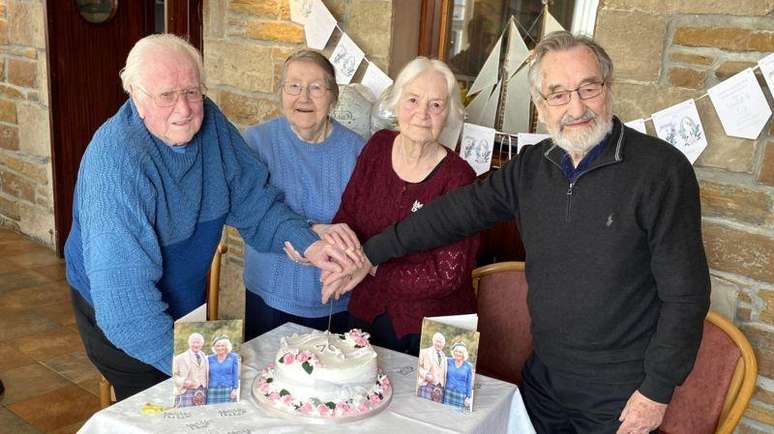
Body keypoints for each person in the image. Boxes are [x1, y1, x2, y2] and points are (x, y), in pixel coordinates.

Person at [328, 31, 710, 434]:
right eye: (558, 94)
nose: (576, 107)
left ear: (608, 89)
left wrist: (656, 391)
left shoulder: (661, 171)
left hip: (619, 393)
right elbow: (451, 214)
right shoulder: (533, 166)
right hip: (544, 380)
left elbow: (686, 295)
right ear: (541, 107)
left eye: (588, 88)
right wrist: (371, 254)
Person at [64, 34, 356, 401]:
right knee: (163, 407)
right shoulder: (116, 163)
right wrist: (203, 370)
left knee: (205, 407)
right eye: (167, 95)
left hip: (182, 302)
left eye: (192, 91)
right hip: (117, 314)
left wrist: (308, 243)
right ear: (136, 98)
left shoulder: (210, 123)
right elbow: (126, 309)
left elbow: (256, 203)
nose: (184, 108)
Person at [324, 57, 480, 355]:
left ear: (448, 115)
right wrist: (337, 255)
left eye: (436, 105)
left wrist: (370, 267)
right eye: (412, 100)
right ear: (396, 104)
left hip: (430, 333)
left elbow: (446, 275)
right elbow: (347, 215)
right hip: (365, 314)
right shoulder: (378, 147)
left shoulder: (460, 178)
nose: (422, 114)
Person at [242, 49, 365, 341]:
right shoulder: (256, 142)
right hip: (270, 296)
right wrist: (308, 233)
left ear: (333, 97)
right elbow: (251, 215)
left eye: (316, 88)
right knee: (271, 382)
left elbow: (367, 222)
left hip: (335, 295)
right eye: (294, 86)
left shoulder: (358, 149)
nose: (304, 97)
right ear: (282, 93)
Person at [173, 333, 209, 407]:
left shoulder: (206, 358)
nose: (196, 345)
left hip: (203, 390)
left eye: (198, 342)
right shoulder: (179, 358)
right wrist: (183, 381)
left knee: (200, 415)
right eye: (193, 342)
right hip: (186, 390)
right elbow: (174, 375)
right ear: (189, 343)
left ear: (202, 344)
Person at [207, 336, 240, 404]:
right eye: (218, 346)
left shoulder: (233, 357)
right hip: (212, 390)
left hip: (228, 389)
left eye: (223, 345)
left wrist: (235, 389)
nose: (220, 348)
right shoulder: (209, 358)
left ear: (226, 346)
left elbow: (235, 374)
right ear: (214, 347)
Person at [417, 332, 448, 402]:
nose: (439, 344)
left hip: (440, 389)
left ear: (443, 344)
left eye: (441, 342)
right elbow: (417, 365)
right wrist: (425, 374)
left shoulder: (444, 357)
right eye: (437, 341)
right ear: (433, 341)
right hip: (426, 385)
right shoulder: (424, 352)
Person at [443, 342, 473, 409]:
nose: (457, 353)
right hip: (448, 392)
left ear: (464, 354)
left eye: (460, 352)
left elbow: (469, 383)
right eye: (456, 351)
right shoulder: (448, 361)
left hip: (461, 394)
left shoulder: (468, 366)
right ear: (453, 352)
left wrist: (468, 397)